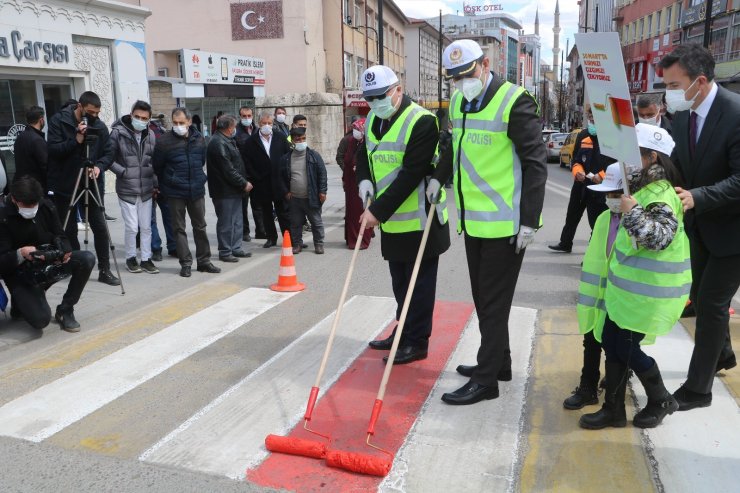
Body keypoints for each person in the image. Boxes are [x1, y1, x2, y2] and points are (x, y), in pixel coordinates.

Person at [435, 39, 547, 405]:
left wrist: (529, 220)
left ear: (484, 65)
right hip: (474, 222)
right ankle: (500, 363)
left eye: (467, 74)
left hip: (506, 226)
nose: (461, 82)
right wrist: (439, 177)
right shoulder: (457, 101)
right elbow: (453, 146)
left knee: (494, 303)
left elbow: (535, 164)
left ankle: (486, 381)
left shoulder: (515, 100)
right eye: (454, 78)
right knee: (484, 299)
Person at [579, 124, 690, 429]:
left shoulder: (661, 194)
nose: (625, 164)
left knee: (627, 348)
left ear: (652, 157)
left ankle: (661, 399)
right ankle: (613, 410)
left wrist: (632, 212)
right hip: (626, 295)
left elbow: (658, 239)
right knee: (614, 345)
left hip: (646, 295)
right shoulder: (642, 190)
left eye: (632, 156)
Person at [658, 44, 740, 410]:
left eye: (674, 85)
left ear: (701, 81)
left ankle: (698, 390)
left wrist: (698, 196)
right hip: (701, 229)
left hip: (733, 231)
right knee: (707, 300)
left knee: (709, 303)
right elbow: (678, 164)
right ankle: (721, 354)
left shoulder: (735, 114)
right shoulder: (686, 114)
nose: (668, 93)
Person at [356, 64, 451, 366]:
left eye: (380, 96)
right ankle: (403, 331)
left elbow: (411, 174)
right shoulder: (373, 118)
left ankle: (416, 341)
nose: (375, 104)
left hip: (421, 219)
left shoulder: (421, 121)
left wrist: (376, 211)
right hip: (392, 221)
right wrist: (364, 181)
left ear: (397, 89)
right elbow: (364, 155)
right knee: (400, 283)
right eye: (369, 99)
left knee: (418, 287)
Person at [563, 163, 624, 411]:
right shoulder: (603, 218)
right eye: (607, 194)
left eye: (616, 194)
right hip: (598, 294)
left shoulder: (636, 221)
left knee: (617, 344)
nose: (611, 199)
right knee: (591, 338)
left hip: (622, 296)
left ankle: (616, 379)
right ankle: (587, 387)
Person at [0, 176, 95, 332]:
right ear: (15, 200)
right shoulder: (3, 216)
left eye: (34, 204)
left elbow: (61, 235)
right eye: (27, 205)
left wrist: (64, 249)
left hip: (46, 263)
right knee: (41, 321)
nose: (32, 208)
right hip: (19, 273)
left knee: (86, 259)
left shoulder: (45, 206)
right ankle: (23, 302)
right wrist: (20, 253)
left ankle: (65, 309)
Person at [46, 91, 120, 286]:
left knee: (100, 226)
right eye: (90, 112)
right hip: (66, 182)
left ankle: (105, 269)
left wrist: (99, 166)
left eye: (97, 112)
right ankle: (76, 265)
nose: (94, 116)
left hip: (90, 181)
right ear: (80, 106)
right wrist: (76, 139)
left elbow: (109, 152)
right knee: (69, 229)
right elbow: (53, 150)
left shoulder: (99, 126)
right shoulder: (58, 121)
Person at [153, 108, 220, 277]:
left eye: (181, 123)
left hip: (196, 189)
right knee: (179, 229)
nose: (178, 126)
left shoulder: (199, 139)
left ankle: (204, 261)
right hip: (175, 192)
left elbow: (201, 161)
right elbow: (157, 166)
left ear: (189, 122)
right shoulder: (164, 142)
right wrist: (168, 182)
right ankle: (186, 263)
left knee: (200, 226)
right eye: (175, 123)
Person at [548, 105, 613, 253]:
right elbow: (576, 160)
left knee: (596, 222)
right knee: (572, 214)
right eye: (590, 118)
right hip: (581, 184)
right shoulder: (584, 135)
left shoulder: (611, 139)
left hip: (600, 188)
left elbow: (615, 164)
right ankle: (565, 242)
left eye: (594, 119)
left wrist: (602, 176)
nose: (591, 121)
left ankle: (593, 254)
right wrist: (578, 172)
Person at [108, 100, 159, 274]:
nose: (139, 120)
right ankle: (130, 257)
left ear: (149, 119)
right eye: (136, 116)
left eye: (143, 118)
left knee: (146, 227)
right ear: (131, 115)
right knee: (132, 226)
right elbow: (108, 158)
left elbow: (154, 161)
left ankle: (146, 259)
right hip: (126, 188)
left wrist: (155, 182)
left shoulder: (151, 135)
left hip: (146, 189)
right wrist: (122, 172)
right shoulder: (117, 133)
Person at [240, 110, 291, 248]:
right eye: (264, 123)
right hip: (262, 183)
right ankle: (271, 237)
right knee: (266, 212)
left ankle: (289, 237)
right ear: (259, 123)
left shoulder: (280, 138)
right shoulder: (251, 142)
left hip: (279, 182)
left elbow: (288, 157)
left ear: (273, 123)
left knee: (283, 211)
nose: (267, 126)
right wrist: (255, 177)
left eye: (269, 123)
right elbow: (247, 162)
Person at [206, 114, 253, 262]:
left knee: (237, 221)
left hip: (234, 190)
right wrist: (243, 183)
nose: (235, 130)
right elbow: (228, 170)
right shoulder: (218, 142)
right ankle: (225, 251)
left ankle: (236, 248)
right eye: (233, 127)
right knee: (226, 222)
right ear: (228, 128)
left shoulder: (227, 140)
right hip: (224, 191)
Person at [275, 126, 327, 254]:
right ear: (292, 141)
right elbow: (280, 178)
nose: (301, 141)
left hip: (311, 197)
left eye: (303, 139)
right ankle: (297, 244)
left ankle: (319, 245)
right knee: (295, 224)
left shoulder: (314, 156)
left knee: (316, 222)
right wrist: (286, 192)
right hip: (295, 199)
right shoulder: (286, 158)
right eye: (298, 139)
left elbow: (322, 174)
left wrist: (322, 191)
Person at [341, 118, 372, 250]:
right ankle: (351, 239)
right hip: (350, 182)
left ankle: (362, 240)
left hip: (362, 183)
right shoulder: (351, 142)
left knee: (361, 210)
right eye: (354, 128)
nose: (355, 132)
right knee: (351, 212)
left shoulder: (368, 144)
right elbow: (345, 159)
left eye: (358, 129)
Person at [235, 106, 262, 242]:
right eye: (244, 116)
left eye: (249, 116)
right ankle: (245, 232)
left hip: (256, 173)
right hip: (243, 174)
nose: (247, 118)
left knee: (258, 204)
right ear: (240, 117)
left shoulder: (257, 130)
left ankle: (260, 230)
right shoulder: (236, 132)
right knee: (243, 206)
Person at [13, 106, 48, 188]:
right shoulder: (37, 140)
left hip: (23, 185)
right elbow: (45, 166)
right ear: (41, 120)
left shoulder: (20, 137)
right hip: (35, 187)